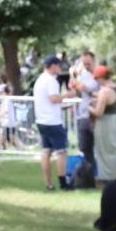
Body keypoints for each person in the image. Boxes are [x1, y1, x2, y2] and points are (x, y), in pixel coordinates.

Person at [33, 54, 76, 190]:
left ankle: (49, 183)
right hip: (52, 121)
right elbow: (53, 98)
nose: (60, 68)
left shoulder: (40, 79)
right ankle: (63, 183)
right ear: (52, 66)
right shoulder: (51, 80)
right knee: (61, 152)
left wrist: (61, 106)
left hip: (41, 120)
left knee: (46, 151)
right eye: (58, 66)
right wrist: (68, 95)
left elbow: (46, 101)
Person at [88, 65, 116, 185]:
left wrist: (89, 107)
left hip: (105, 124)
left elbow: (99, 112)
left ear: (100, 78)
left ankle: (106, 176)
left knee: (104, 151)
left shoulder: (104, 92)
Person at [72, 50, 99, 169]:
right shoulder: (82, 75)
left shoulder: (100, 75)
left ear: (94, 61)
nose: (87, 66)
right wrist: (77, 89)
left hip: (96, 116)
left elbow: (105, 94)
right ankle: (89, 172)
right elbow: (79, 95)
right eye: (84, 64)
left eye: (88, 63)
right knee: (84, 146)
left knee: (98, 146)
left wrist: (88, 90)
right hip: (83, 114)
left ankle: (101, 172)